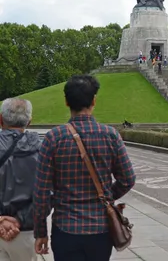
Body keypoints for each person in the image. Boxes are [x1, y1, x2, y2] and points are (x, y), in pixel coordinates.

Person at [33, 75, 136, 261]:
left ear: (66, 102)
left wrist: (41, 231)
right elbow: (127, 179)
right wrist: (105, 196)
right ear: (94, 100)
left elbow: (41, 192)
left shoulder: (53, 138)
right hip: (100, 229)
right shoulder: (110, 135)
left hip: (65, 228)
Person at [0, 98, 41, 261]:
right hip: (25, 231)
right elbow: (47, 194)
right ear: (29, 122)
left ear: (0, 119)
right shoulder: (41, 152)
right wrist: (19, 220)